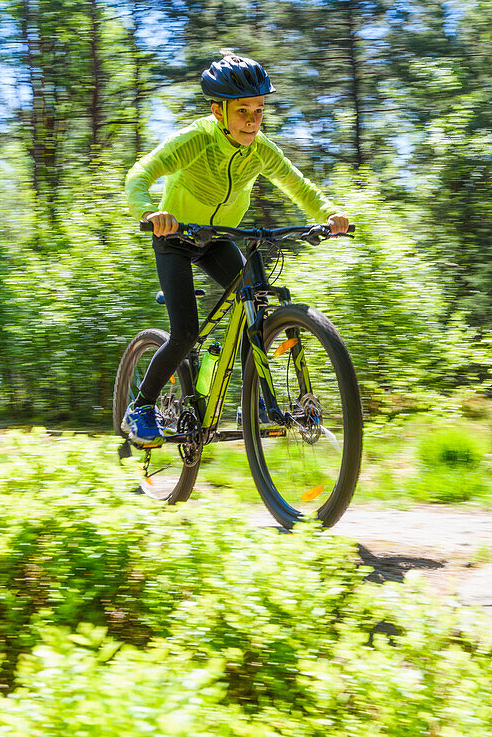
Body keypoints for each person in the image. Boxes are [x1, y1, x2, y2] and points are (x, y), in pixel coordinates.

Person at [122, 52, 349, 448]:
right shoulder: (195, 140)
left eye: (259, 110)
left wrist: (330, 214)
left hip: (217, 239)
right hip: (174, 237)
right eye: (242, 110)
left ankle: (255, 401)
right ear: (218, 111)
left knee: (255, 309)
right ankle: (140, 407)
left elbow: (298, 186)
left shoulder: (260, 149)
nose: (252, 119)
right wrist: (149, 210)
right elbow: (140, 172)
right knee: (185, 333)